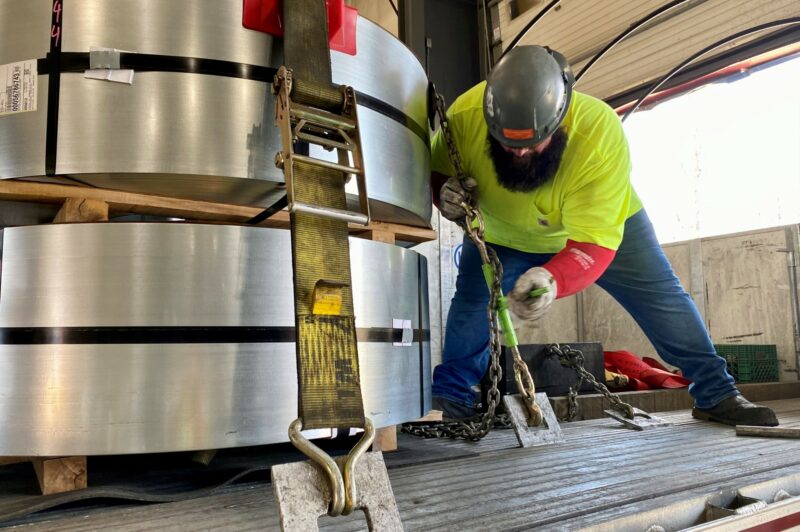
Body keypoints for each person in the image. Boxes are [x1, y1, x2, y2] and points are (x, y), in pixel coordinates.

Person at [429, 45, 778, 427]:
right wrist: (443, 193)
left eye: (533, 143)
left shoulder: (597, 133)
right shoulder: (463, 116)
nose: (521, 154)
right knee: (472, 303)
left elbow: (593, 245)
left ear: (561, 117)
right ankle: (454, 400)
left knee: (662, 299)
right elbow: (436, 170)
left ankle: (716, 393)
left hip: (606, 228)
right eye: (508, 144)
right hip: (502, 232)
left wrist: (553, 278)